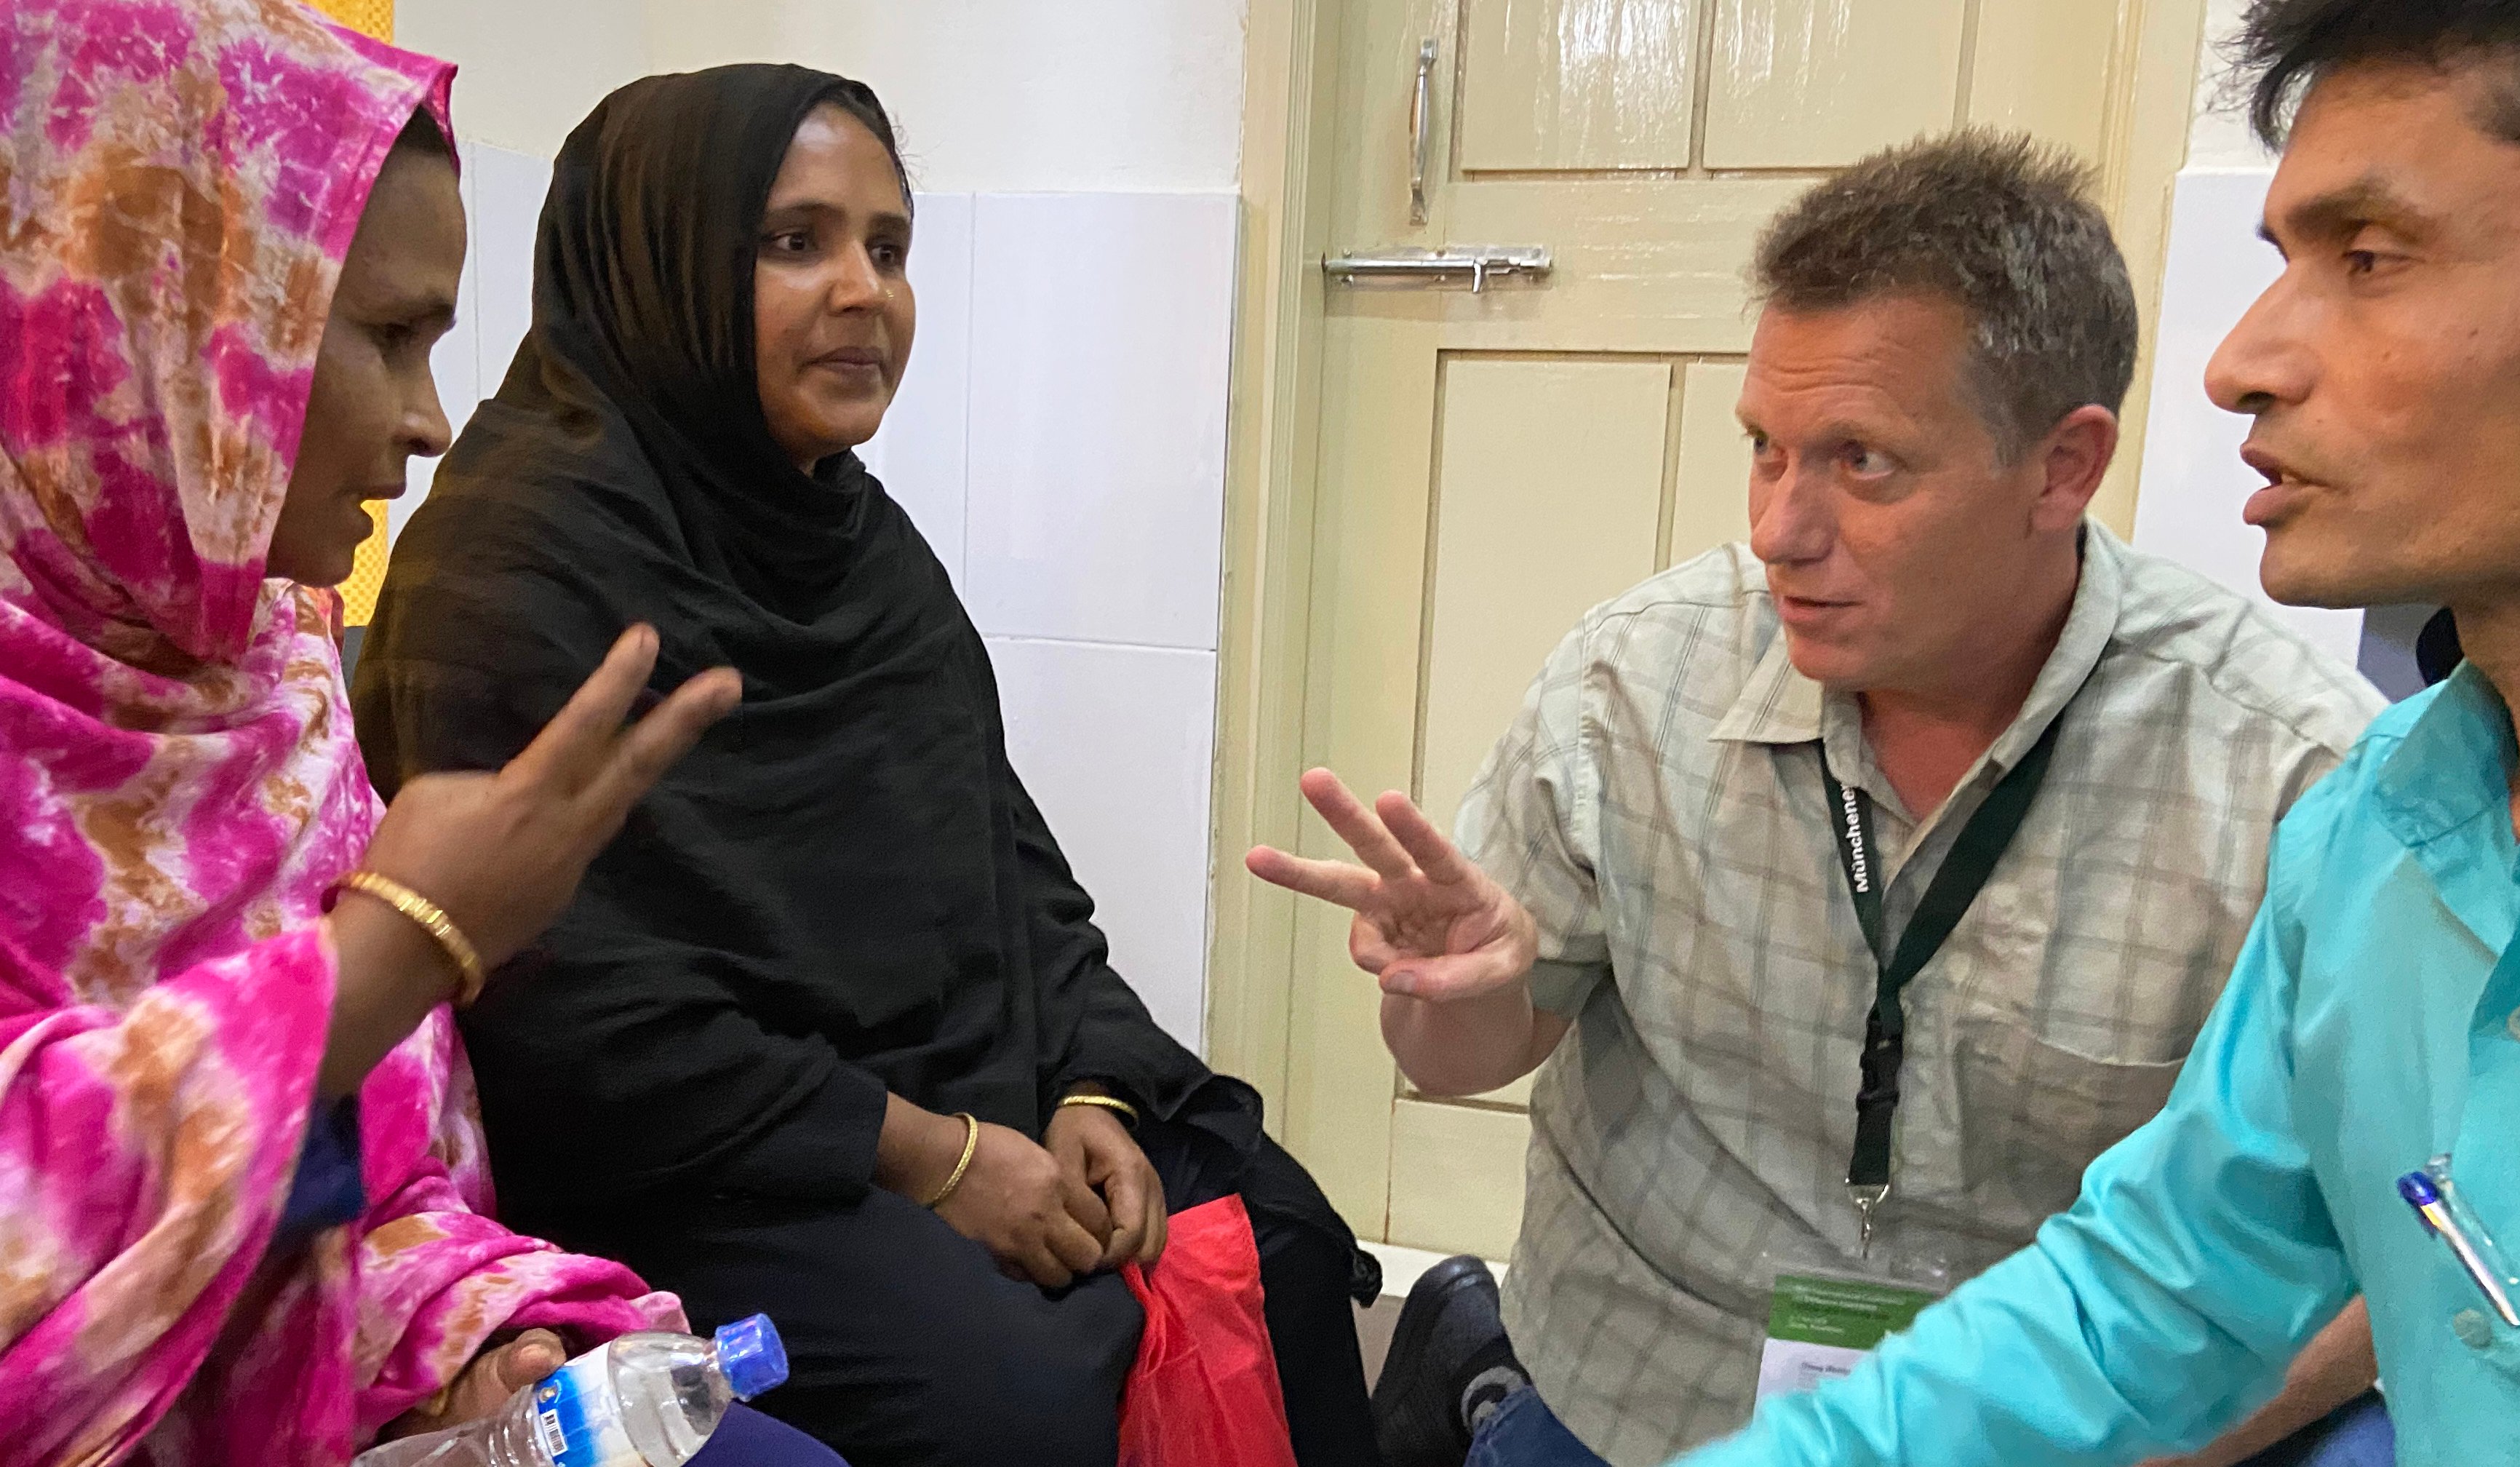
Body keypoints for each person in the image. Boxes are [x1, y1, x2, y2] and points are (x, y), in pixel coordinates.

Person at [1247, 131, 2391, 1467]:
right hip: (1653, 1382)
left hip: (2053, 1427)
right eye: (1765, 448)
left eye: (1863, 462)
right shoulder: (1639, 679)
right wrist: (1447, 993)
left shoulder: (2283, 772)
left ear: (2062, 468)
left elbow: (2387, 1250)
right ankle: (1483, 1369)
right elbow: (1451, 1065)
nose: (1782, 528)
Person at [348, 63, 1380, 1467]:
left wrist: (1091, 1091)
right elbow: (580, 1032)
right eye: (796, 241)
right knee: (1008, 1393)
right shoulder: (511, 572)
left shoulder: (858, 547)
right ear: (660, 259)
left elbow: (1016, 882)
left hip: (945, 1090)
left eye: (888, 247)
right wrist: (940, 1161)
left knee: (1268, 1217)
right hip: (696, 1167)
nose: (864, 291)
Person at [1678, 1, 2520, 1462]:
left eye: (2369, 262)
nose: (2241, 362)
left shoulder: (2274, 750)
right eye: (2283, 265)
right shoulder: (2382, 826)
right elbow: (2158, 1292)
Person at [0, 1, 842, 1463]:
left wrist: (472, 1343)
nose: (429, 419)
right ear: (157, 322)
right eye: (386, 338)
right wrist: (391, 947)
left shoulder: (273, 662)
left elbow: (374, 1192)